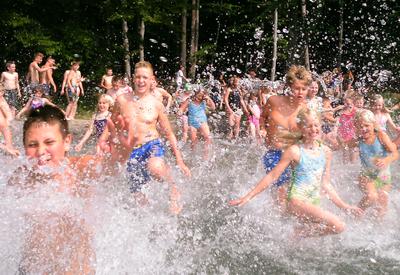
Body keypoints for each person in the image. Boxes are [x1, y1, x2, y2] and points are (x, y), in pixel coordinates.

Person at [230, 108, 362, 238]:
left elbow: (326, 184)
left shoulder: (326, 152)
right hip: (297, 202)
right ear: (300, 127)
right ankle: (298, 233)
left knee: (301, 245)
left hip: (313, 201)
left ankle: (295, 237)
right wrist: (248, 196)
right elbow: (272, 175)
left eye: (316, 125)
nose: (313, 129)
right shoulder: (294, 151)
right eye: (308, 126)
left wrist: (344, 206)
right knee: (338, 225)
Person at [10, 105, 98, 273]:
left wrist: (121, 154)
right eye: (32, 144)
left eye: (49, 142)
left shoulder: (80, 169)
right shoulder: (21, 177)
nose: (41, 151)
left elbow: (107, 168)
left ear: (67, 142)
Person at [119, 61, 191, 213]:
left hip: (151, 144)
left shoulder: (157, 104)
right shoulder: (122, 100)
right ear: (133, 78)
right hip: (131, 151)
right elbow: (112, 123)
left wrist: (180, 160)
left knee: (155, 167)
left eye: (145, 77)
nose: (141, 81)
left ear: (152, 79)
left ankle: (173, 189)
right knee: (139, 200)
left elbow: (169, 133)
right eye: (138, 77)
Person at [258, 65, 312, 207]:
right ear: (289, 86)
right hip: (273, 152)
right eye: (296, 88)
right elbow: (262, 117)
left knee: (296, 193)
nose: (300, 93)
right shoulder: (274, 101)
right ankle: (277, 222)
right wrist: (262, 129)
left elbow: (306, 135)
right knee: (281, 191)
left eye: (304, 89)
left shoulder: (305, 110)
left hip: (293, 156)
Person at [355, 109, 398, 218]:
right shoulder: (358, 140)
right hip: (367, 175)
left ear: (373, 124)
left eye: (366, 125)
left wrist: (386, 160)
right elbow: (341, 145)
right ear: (356, 127)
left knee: (382, 203)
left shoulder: (381, 136)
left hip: (383, 174)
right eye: (360, 126)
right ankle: (355, 214)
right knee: (371, 196)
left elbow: (395, 153)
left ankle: (377, 226)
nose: (363, 129)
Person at [179, 86, 215, 159]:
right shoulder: (189, 101)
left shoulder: (204, 101)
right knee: (194, 141)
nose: (199, 98)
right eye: (198, 96)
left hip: (202, 121)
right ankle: (193, 155)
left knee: (208, 137)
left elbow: (213, 108)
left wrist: (209, 99)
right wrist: (179, 112)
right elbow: (181, 109)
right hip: (192, 123)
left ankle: (206, 155)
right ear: (195, 94)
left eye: (201, 96)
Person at [337, 91, 358, 163]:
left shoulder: (355, 110)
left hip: (352, 134)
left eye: (349, 103)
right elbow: (337, 123)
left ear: (353, 102)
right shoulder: (341, 111)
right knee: (345, 152)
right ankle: (345, 167)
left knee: (353, 150)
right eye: (345, 103)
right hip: (343, 134)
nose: (347, 105)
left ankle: (353, 165)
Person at [0, 83, 19, 156]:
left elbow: (6, 124)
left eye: (1, 92)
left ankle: (7, 147)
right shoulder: (2, 101)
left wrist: (9, 146)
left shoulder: (2, 101)